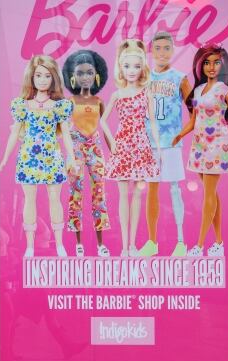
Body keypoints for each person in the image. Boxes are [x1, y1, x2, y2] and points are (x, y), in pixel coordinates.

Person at [173, 44, 228, 257]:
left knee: (208, 195)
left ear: (223, 65)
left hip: (217, 145)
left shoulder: (225, 92)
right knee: (212, 195)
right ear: (201, 65)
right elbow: (193, 120)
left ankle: (199, 245)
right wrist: (180, 134)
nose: (211, 67)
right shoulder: (198, 91)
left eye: (216, 62)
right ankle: (218, 242)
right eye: (207, 63)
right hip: (199, 145)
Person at [0, 55, 77, 257]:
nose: (42, 80)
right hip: (28, 158)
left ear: (54, 79)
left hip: (52, 156)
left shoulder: (59, 106)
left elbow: (66, 134)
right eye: (38, 75)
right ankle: (30, 246)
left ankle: (59, 244)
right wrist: (5, 158)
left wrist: (73, 158)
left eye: (47, 76)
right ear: (31, 77)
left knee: (55, 198)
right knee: (29, 199)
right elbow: (15, 133)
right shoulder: (22, 105)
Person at [100, 39, 161, 256]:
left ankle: (133, 245)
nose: (132, 71)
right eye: (127, 66)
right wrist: (113, 142)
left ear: (142, 67)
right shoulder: (117, 95)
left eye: (136, 66)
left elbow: (152, 121)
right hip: (123, 146)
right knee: (123, 195)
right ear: (121, 68)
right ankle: (125, 246)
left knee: (137, 196)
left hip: (141, 145)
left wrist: (157, 148)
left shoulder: (146, 92)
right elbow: (103, 121)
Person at [138, 31, 193, 257]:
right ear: (151, 51)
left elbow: (195, 110)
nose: (162, 53)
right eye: (157, 48)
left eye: (166, 48)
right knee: (152, 189)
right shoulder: (143, 77)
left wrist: (183, 133)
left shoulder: (180, 78)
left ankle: (181, 241)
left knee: (173, 189)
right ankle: (152, 241)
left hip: (170, 143)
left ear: (172, 50)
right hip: (150, 143)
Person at [61, 49, 112, 257]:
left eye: (89, 72)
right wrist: (70, 156)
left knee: (99, 194)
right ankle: (78, 242)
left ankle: (101, 244)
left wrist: (114, 152)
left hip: (95, 147)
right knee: (76, 195)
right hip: (75, 146)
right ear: (73, 76)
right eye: (80, 73)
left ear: (96, 75)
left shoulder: (99, 101)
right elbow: (64, 129)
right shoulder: (70, 102)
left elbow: (105, 126)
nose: (85, 77)